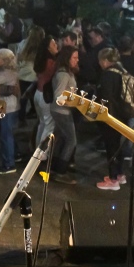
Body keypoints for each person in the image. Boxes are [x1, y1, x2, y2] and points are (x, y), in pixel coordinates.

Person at [95, 48, 129, 190]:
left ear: (104, 61)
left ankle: (113, 180)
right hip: (123, 114)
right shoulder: (122, 71)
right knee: (118, 145)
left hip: (111, 116)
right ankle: (120, 175)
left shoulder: (108, 75)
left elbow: (106, 97)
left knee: (111, 146)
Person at [50, 46, 79, 184]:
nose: (77, 60)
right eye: (74, 57)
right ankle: (60, 172)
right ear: (67, 58)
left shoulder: (67, 73)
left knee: (61, 139)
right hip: (62, 112)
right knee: (71, 141)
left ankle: (54, 168)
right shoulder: (63, 74)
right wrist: (76, 103)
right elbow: (58, 96)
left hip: (62, 111)